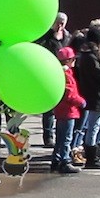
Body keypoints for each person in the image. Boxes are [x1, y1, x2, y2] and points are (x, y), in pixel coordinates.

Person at [74, 25, 100, 169]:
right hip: (95, 95)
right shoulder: (90, 57)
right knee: (94, 126)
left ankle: (96, 153)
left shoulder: (89, 55)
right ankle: (92, 158)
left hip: (99, 95)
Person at [37, 12, 70, 147]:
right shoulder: (46, 37)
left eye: (62, 23)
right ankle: (48, 136)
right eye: (58, 22)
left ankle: (61, 135)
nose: (60, 25)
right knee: (49, 108)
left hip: (65, 75)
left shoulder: (68, 37)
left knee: (64, 106)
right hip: (49, 75)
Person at [50, 47, 84, 175]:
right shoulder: (67, 74)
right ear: (69, 60)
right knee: (66, 138)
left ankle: (56, 160)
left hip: (60, 110)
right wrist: (81, 101)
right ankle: (65, 161)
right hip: (69, 111)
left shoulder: (58, 73)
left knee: (60, 137)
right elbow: (69, 94)